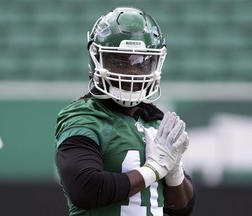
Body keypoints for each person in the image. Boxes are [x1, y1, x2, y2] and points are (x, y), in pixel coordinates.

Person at [55, 6, 196, 216]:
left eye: (141, 62)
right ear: (97, 60)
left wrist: (174, 170)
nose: (131, 70)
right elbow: (84, 189)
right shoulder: (84, 117)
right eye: (120, 61)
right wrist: (153, 170)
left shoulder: (155, 121)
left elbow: (181, 209)